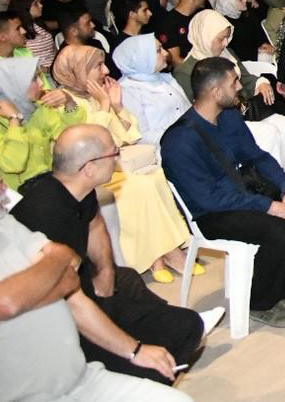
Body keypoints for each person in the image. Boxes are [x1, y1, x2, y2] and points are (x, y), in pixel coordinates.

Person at [12, 126, 216, 384]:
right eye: (114, 154)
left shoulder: (78, 190)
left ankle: (153, 347)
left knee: (185, 323)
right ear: (89, 167)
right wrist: (134, 350)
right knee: (153, 364)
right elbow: (68, 304)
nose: (118, 159)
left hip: (84, 292)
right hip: (56, 321)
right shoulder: (45, 214)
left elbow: (94, 222)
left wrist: (106, 270)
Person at [0, 157, 192, 401]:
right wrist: (54, 275)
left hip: (81, 378)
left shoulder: (3, 224)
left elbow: (71, 272)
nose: (3, 187)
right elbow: (6, 302)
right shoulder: (43, 207)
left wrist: (135, 351)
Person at [160, 56, 285, 329]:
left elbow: (258, 157)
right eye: (234, 82)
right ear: (215, 92)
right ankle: (259, 302)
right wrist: (268, 207)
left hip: (248, 193)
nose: (240, 88)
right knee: (278, 231)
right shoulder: (179, 141)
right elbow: (208, 198)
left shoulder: (229, 117)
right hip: (214, 213)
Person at [49, 46, 194, 284]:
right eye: (97, 66)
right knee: (140, 187)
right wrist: (105, 104)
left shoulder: (93, 96)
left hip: (111, 166)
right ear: (77, 70)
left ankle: (164, 252)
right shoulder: (66, 103)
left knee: (156, 177)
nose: (105, 71)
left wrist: (116, 106)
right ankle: (160, 256)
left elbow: (128, 136)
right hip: (87, 175)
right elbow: (90, 145)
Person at [181, 10, 285, 182]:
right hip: (221, 123)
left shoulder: (226, 53)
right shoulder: (187, 70)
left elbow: (244, 78)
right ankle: (274, 186)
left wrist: (260, 82)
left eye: (227, 38)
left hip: (245, 111)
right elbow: (200, 105)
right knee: (270, 132)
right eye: (220, 39)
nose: (224, 43)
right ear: (205, 36)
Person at [0, 54, 86, 189]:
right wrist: (14, 120)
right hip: (19, 199)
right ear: (12, 86)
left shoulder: (35, 108)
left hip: (48, 185)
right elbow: (13, 165)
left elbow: (73, 139)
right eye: (34, 79)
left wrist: (69, 102)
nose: (41, 83)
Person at [112, 36, 191, 143]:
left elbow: (188, 110)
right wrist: (183, 134)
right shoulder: (127, 91)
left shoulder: (165, 78)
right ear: (142, 58)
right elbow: (141, 137)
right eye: (159, 50)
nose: (166, 53)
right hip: (163, 151)